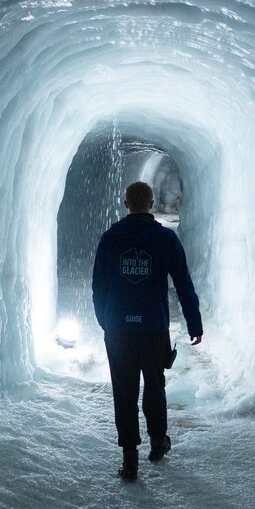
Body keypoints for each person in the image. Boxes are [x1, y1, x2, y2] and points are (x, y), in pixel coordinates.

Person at [92, 181, 203, 482]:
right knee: (154, 385)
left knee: (123, 390)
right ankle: (157, 442)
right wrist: (194, 323)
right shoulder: (164, 239)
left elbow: (98, 287)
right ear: (151, 204)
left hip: (118, 330)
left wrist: (107, 320)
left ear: (125, 203)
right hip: (154, 328)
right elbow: (183, 283)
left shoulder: (111, 238)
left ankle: (130, 456)